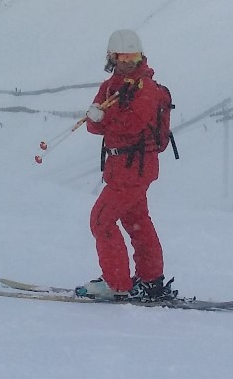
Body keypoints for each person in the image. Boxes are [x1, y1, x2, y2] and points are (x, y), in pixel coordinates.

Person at [76, 29, 177, 302]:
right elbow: (94, 126)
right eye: (122, 56)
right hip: (122, 166)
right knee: (136, 222)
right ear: (112, 57)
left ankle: (117, 282)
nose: (128, 61)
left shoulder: (146, 88)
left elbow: (131, 124)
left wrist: (102, 116)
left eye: (133, 55)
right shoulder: (112, 86)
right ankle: (151, 280)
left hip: (134, 168)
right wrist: (99, 118)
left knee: (101, 219)